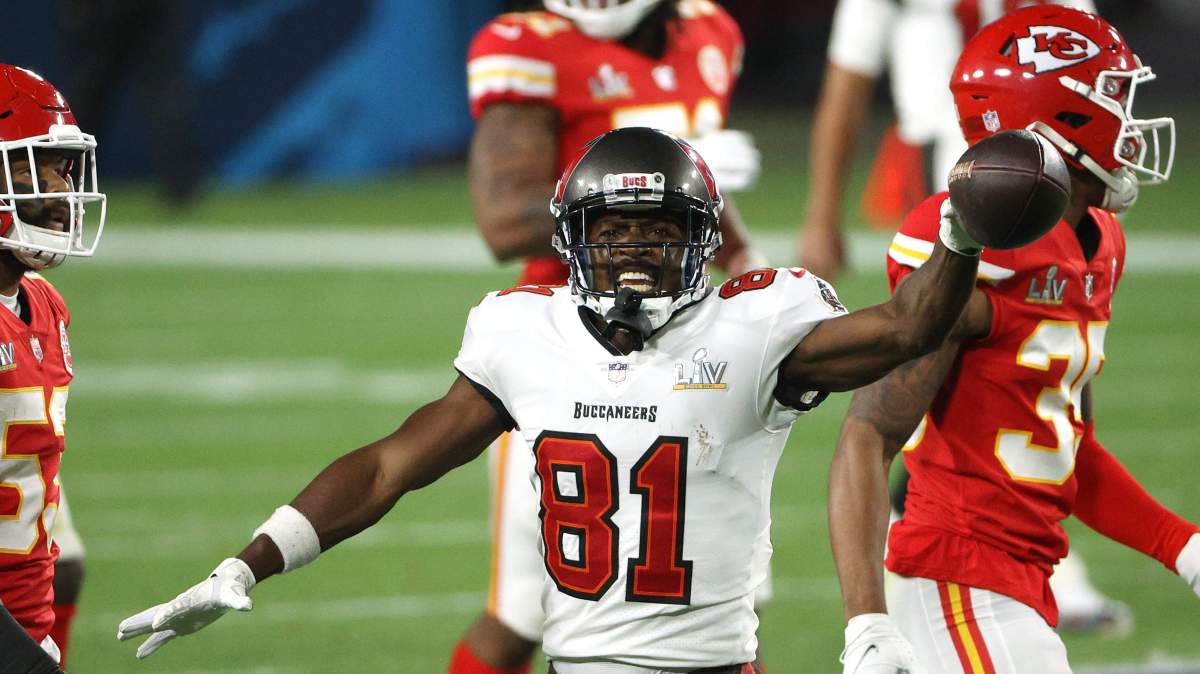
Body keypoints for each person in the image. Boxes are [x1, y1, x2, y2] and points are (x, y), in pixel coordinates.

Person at [117, 125, 1000, 672]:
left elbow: (909, 326)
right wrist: (246, 564)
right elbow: (388, 467)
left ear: (700, 240)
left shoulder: (755, 328)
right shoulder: (523, 334)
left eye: (658, 230)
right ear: (574, 240)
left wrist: (959, 236)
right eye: (613, 231)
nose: (635, 250)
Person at [828, 7, 1199, 673]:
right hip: (957, 578)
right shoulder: (975, 245)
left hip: (1022, 582)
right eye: (1113, 98)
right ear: (1058, 120)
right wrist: (867, 622)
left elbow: (1067, 449)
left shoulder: (1101, 241)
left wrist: (1183, 547)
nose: (1130, 120)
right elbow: (868, 435)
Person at [463, 1, 766, 670]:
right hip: (570, 351)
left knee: (725, 601)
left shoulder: (710, 33)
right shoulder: (532, 47)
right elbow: (504, 222)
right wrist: (651, 182)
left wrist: (745, 258)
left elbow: (694, 205)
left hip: (690, 349)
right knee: (522, 614)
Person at [796, 0, 1094, 281]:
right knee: (1023, 300)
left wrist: (823, 217)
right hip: (1016, 148)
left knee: (962, 306)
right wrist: (822, 218)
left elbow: (847, 89)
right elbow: (1093, 60)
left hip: (994, 148)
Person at [0, 63, 107, 666]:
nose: (60, 192)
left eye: (63, 169)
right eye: (32, 170)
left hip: (25, 626)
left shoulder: (45, 305)